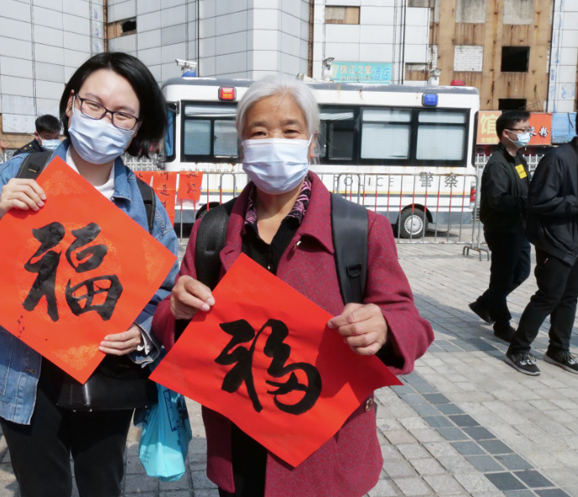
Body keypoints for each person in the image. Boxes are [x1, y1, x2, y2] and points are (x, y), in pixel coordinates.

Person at [151, 75, 434, 497]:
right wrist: (175, 310)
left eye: (289, 130)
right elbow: (170, 330)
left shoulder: (360, 229)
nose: (273, 141)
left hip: (328, 453)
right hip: (239, 449)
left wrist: (384, 326)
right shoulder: (212, 230)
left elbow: (412, 323)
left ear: (312, 142)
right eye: (259, 132)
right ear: (242, 144)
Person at [0, 52, 177, 497]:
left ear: (136, 127)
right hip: (23, 372)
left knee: (103, 484)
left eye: (122, 114)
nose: (105, 120)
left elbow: (165, 290)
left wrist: (142, 334)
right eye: (93, 104)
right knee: (41, 487)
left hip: (106, 369)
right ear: (70, 104)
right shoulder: (16, 175)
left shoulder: (143, 203)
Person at [506, 103, 578, 376]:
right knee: (548, 296)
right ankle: (518, 349)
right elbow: (539, 202)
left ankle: (558, 349)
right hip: (557, 240)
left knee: (570, 297)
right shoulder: (558, 158)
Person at [468, 111, 532, 342]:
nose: (528, 134)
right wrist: (528, 203)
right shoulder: (497, 164)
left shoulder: (518, 159)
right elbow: (498, 200)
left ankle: (485, 303)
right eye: (523, 130)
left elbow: (526, 188)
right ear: (506, 133)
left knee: (521, 271)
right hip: (502, 229)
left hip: (520, 228)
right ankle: (501, 322)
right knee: (502, 277)